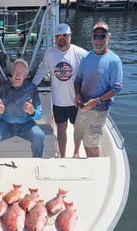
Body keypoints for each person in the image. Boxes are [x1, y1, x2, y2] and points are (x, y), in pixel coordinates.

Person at [33, 23, 87, 158]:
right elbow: (41, 71)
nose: (61, 38)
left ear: (70, 36)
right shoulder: (50, 53)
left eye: (64, 35)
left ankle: (76, 152)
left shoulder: (81, 53)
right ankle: (63, 156)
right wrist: (31, 87)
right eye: (58, 36)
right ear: (55, 38)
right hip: (58, 101)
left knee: (77, 129)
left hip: (76, 100)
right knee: (61, 129)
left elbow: (90, 73)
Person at [73, 21, 123, 157]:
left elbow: (116, 88)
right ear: (92, 38)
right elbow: (77, 80)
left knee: (91, 144)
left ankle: (94, 171)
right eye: (96, 36)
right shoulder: (86, 58)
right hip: (82, 105)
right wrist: (77, 95)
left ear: (108, 38)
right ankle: (76, 153)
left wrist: (97, 100)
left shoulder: (114, 61)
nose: (99, 40)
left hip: (99, 109)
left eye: (102, 36)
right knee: (78, 132)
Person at [0, 59, 45, 158]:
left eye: (21, 72)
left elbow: (39, 114)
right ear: (11, 72)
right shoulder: (2, 88)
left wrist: (32, 112)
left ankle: (37, 162)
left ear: (26, 75)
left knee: (39, 135)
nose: (18, 75)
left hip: (26, 125)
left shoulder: (32, 88)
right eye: (15, 72)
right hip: (5, 124)